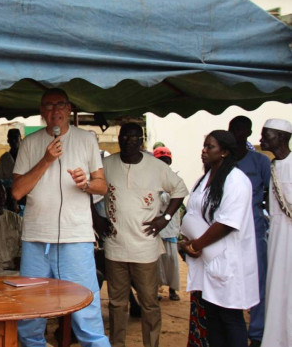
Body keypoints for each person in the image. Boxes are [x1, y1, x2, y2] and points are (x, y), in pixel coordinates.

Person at [11, 88, 110, 347]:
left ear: (69, 109)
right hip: (36, 239)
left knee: (86, 313)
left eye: (60, 105)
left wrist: (86, 183)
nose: (54, 111)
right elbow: (18, 191)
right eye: (48, 106)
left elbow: (102, 186)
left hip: (76, 237)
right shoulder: (29, 143)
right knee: (30, 316)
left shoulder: (86, 139)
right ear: (42, 112)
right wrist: (46, 159)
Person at [103, 125, 187, 347]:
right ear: (119, 138)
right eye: (124, 136)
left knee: (149, 303)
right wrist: (96, 219)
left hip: (145, 249)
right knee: (116, 303)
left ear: (141, 140)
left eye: (134, 137)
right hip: (115, 247)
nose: (129, 140)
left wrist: (165, 219)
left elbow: (179, 190)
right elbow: (89, 192)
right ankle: (117, 343)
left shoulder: (156, 166)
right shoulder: (107, 164)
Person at [179, 130, 258, 347]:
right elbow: (193, 213)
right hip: (206, 259)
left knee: (230, 317)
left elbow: (226, 224)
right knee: (212, 316)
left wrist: (196, 244)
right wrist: (187, 243)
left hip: (227, 260)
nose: (203, 151)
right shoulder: (204, 178)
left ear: (223, 152)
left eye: (209, 147)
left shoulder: (237, 181)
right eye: (203, 146)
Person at [228, 116, 271, 347]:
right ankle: (233, 330)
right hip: (228, 233)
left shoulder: (260, 162)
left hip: (255, 231)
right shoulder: (224, 162)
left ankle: (256, 333)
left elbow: (271, 195)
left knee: (258, 282)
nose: (236, 134)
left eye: (240, 130)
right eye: (233, 129)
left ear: (248, 133)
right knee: (231, 280)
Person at [260, 118, 292, 347]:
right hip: (277, 238)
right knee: (276, 288)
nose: (262, 139)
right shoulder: (272, 165)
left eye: (266, 134)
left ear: (281, 137)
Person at [153, 146, 182, 302]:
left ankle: (172, 289)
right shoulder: (151, 178)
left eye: (166, 160)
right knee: (156, 260)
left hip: (170, 226)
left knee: (171, 259)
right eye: (160, 160)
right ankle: (156, 289)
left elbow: (172, 199)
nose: (163, 163)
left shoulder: (175, 178)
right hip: (156, 226)